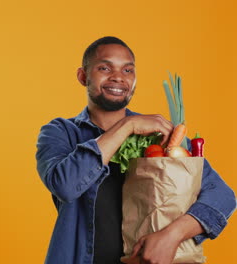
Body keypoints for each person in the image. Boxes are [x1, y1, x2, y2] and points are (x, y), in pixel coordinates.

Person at [35, 36, 236, 264]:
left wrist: (172, 236)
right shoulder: (61, 132)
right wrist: (128, 126)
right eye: (104, 67)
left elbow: (223, 196)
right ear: (83, 76)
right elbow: (65, 185)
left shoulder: (161, 136)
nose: (118, 77)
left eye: (128, 70)